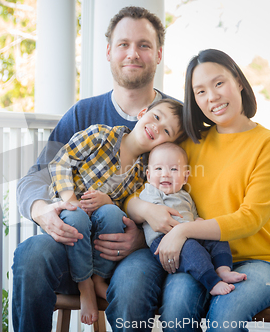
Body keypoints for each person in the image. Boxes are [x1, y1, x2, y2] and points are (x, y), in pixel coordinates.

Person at [13, 6, 182, 331]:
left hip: (136, 251)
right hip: (73, 236)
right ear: (108, 51)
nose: (133, 53)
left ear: (159, 53)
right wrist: (42, 211)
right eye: (123, 44)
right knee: (31, 257)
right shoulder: (83, 114)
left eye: (144, 45)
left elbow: (188, 196)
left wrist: (141, 238)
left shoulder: (175, 121)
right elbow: (37, 175)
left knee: (133, 288)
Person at [126, 49, 270, 331]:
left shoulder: (269, 144)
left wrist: (183, 230)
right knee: (177, 307)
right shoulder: (189, 145)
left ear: (238, 81)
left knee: (223, 321)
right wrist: (144, 209)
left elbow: (250, 218)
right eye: (200, 91)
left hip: (261, 261)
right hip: (199, 256)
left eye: (218, 83)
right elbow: (140, 191)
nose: (211, 97)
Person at [48, 99, 183, 324]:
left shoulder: (143, 172)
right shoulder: (101, 136)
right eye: (156, 117)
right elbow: (60, 161)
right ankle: (85, 286)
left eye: (166, 130)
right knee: (77, 217)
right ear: (142, 113)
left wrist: (108, 200)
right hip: (70, 212)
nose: (157, 127)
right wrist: (71, 201)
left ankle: (99, 278)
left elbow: (126, 208)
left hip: (99, 225)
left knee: (112, 214)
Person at [139, 142, 246, 297]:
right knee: (192, 250)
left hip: (187, 233)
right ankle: (213, 282)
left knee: (217, 236)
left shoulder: (185, 195)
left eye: (173, 169)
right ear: (148, 175)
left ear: (185, 176)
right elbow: (159, 215)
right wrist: (186, 230)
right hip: (164, 240)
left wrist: (199, 222)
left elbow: (192, 215)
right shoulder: (150, 192)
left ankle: (223, 269)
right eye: (158, 169)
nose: (165, 174)